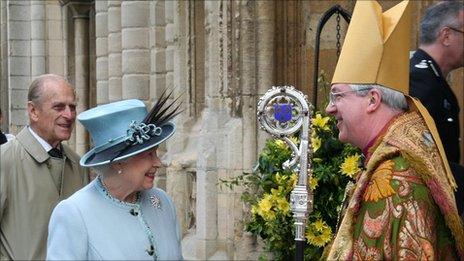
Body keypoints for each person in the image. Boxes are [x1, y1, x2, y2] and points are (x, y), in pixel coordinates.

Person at [325, 1, 464, 260]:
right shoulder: (393, 153)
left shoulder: (397, 178)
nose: (329, 108)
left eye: (337, 96)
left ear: (373, 100)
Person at [46, 94, 183, 260]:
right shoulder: (74, 213)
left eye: (156, 152)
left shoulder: (161, 202)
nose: (158, 162)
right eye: (148, 155)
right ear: (118, 162)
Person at [0, 74, 89, 260]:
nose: (69, 115)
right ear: (33, 111)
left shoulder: (78, 165)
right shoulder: (5, 160)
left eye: (72, 107)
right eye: (59, 107)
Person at [410, 1, 464, 216]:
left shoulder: (430, 77)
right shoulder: (419, 81)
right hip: (424, 207)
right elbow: (419, 158)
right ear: (447, 35)